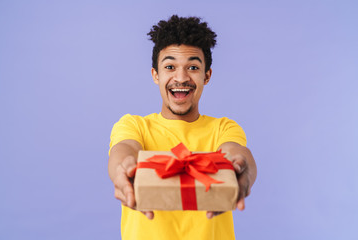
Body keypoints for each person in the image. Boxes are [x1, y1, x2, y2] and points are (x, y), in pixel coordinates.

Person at [108, 15, 257, 240]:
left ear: (206, 76)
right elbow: (124, 150)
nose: (181, 77)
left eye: (193, 67)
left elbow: (237, 153)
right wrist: (123, 169)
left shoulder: (223, 128)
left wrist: (245, 169)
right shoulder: (134, 125)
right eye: (170, 66)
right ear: (155, 75)